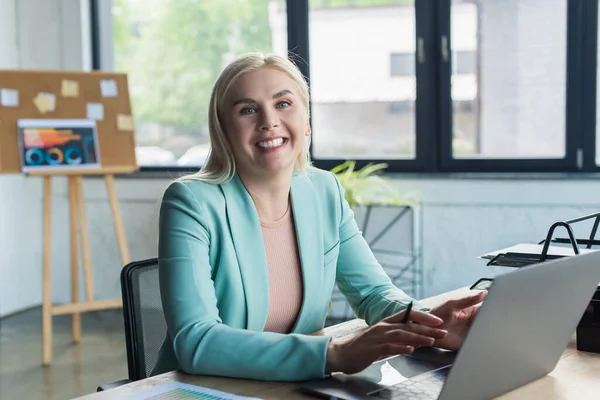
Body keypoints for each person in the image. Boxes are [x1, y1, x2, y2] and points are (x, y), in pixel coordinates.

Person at [153, 52, 486, 381]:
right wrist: (335, 354)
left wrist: (430, 325)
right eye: (248, 110)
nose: (268, 121)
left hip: (290, 386)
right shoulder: (192, 202)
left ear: (307, 122)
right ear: (223, 131)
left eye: (283, 104)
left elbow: (371, 294)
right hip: (201, 388)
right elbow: (196, 341)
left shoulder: (323, 190)